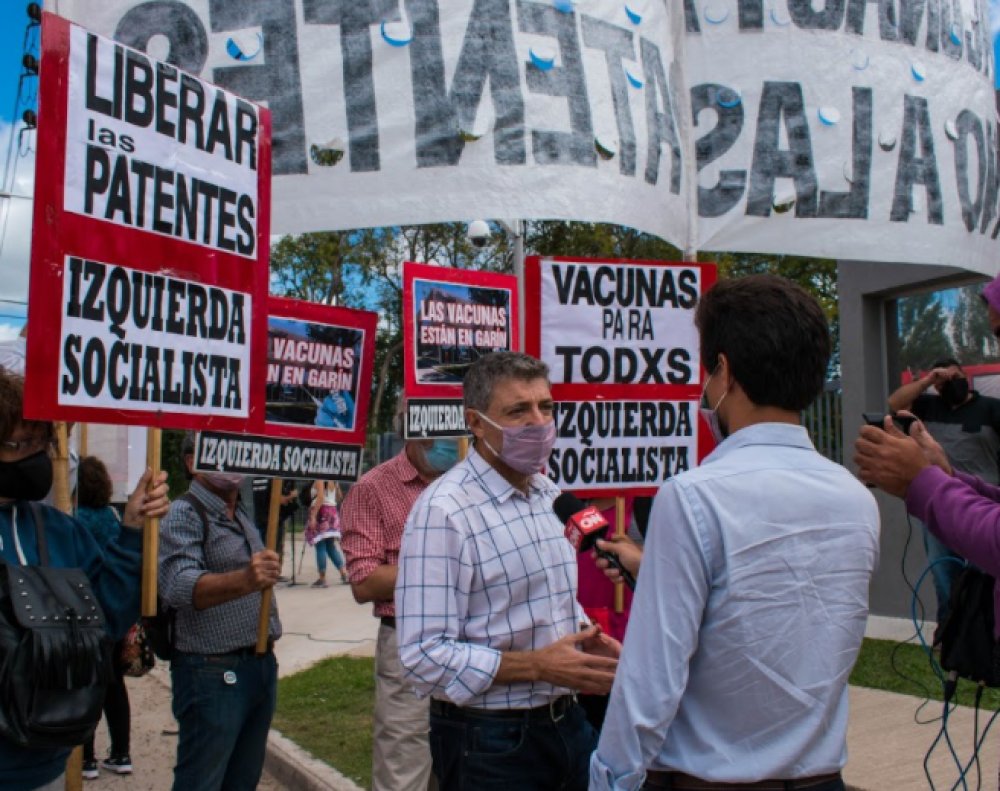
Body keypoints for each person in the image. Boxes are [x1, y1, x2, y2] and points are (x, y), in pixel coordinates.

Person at [591, 275, 880, 791]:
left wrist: (610, 778)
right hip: (822, 776)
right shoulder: (856, 498)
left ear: (723, 372)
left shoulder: (692, 495)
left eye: (706, 372)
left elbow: (649, 682)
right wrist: (653, 567)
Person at [396, 351, 620, 791]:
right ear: (477, 423)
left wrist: (582, 638)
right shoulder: (444, 512)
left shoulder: (548, 493)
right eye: (518, 410)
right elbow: (423, 656)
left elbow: (545, 597)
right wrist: (538, 665)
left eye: (546, 407)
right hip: (490, 742)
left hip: (567, 724)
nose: (538, 422)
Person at [0, 371, 169, 791]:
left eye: (42, 444)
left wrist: (131, 531)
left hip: (47, 765)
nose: (37, 456)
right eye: (21, 445)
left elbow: (106, 621)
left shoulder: (60, 531)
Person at [159, 432, 282, 791]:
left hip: (256, 666)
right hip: (212, 671)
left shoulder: (238, 512)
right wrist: (246, 578)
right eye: (217, 447)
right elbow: (179, 586)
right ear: (191, 462)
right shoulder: (186, 513)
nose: (230, 458)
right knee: (203, 781)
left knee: (241, 780)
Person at [340, 432, 458, 791]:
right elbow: (365, 582)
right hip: (409, 643)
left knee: (468, 763)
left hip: (473, 640)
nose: (450, 446)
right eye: (441, 438)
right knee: (404, 769)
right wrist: (442, 567)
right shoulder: (372, 488)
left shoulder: (474, 482)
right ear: (416, 431)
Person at [886, 357, 1000, 631]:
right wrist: (927, 380)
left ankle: (984, 632)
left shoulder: (990, 408)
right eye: (944, 380)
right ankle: (949, 632)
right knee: (942, 571)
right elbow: (894, 404)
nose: (951, 383)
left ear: (964, 376)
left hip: (980, 502)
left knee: (983, 573)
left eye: (955, 376)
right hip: (938, 503)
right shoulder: (928, 407)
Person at [76, 455, 134, 780]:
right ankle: (122, 752)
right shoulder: (113, 516)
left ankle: (85, 758)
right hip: (110, 613)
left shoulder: (72, 518)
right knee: (114, 684)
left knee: (86, 684)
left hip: (81, 613)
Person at [305, 479, 349, 587]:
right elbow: (339, 496)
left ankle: (322, 578)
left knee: (320, 545)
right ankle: (343, 572)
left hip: (322, 512)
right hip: (332, 511)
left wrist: (313, 515)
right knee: (330, 546)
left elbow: (320, 497)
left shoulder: (320, 478)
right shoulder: (334, 480)